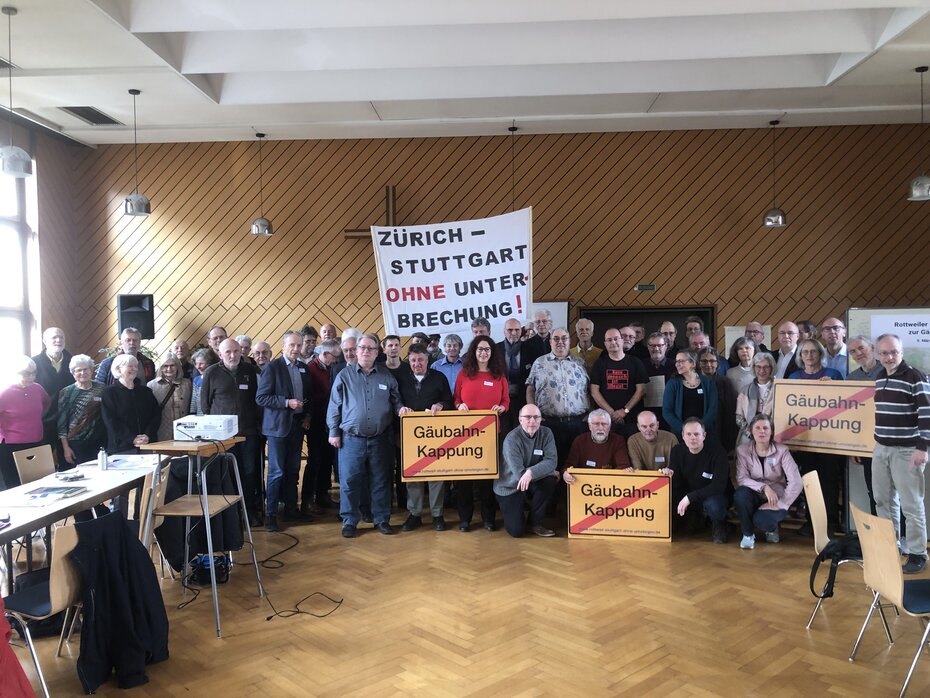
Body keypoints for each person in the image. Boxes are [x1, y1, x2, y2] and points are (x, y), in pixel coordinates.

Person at [328, 333, 404, 538]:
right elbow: (335, 405)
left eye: (370, 348)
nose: (365, 351)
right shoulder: (344, 375)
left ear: (377, 351)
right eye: (362, 347)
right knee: (350, 481)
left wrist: (401, 409)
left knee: (381, 480)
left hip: (380, 439)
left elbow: (396, 401)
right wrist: (333, 431)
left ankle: (381, 519)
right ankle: (350, 521)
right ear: (356, 350)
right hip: (351, 439)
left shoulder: (386, 376)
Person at [872, 333, 930, 574]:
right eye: (884, 353)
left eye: (894, 352)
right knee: (883, 501)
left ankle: (918, 553)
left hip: (908, 451)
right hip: (881, 448)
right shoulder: (878, 377)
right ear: (877, 354)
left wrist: (922, 448)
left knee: (911, 504)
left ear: (901, 352)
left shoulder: (915, 376)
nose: (889, 357)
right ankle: (890, 546)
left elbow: (927, 412)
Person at [256, 330, 314, 532]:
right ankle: (271, 515)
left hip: (298, 426)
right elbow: (261, 398)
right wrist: (286, 402)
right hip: (277, 428)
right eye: (292, 345)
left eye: (299, 345)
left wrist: (307, 416)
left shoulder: (304, 368)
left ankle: (291, 509)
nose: (296, 349)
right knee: (276, 472)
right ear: (283, 346)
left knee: (292, 470)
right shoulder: (273, 368)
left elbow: (309, 397)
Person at [201, 338, 262, 526]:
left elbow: (258, 399)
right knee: (226, 474)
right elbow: (205, 405)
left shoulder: (250, 370)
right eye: (228, 352)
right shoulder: (211, 373)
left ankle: (249, 511)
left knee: (250, 473)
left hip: (248, 433)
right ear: (220, 354)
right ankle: (230, 515)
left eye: (236, 351)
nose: (233, 355)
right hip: (223, 437)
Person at [453, 335, 509, 531]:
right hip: (465, 436)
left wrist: (501, 408)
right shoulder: (464, 374)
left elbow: (506, 401)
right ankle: (465, 520)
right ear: (473, 352)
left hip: (489, 434)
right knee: (464, 480)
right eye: (480, 349)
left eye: (487, 349)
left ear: (492, 353)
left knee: (487, 479)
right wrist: (459, 406)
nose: (483, 353)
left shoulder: (499, 375)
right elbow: (456, 399)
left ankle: (488, 519)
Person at [789, 337, 844, 534]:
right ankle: (812, 523)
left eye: (813, 351)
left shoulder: (833, 374)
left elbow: (845, 405)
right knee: (809, 481)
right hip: (805, 440)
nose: (809, 355)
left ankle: (831, 522)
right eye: (805, 352)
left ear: (820, 354)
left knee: (829, 481)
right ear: (800, 356)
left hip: (829, 440)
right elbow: (790, 410)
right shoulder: (794, 378)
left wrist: (834, 388)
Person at [396, 344, 454, 531]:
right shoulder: (401, 379)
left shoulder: (439, 377)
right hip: (409, 436)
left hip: (434, 436)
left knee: (436, 476)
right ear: (409, 361)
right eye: (413, 360)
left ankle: (437, 514)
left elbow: (449, 401)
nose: (417, 363)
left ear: (427, 360)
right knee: (413, 475)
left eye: (420, 359)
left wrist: (440, 404)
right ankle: (415, 514)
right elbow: (395, 400)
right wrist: (400, 408)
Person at [733, 414, 802, 549]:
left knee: (762, 521)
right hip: (754, 493)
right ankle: (747, 534)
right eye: (757, 428)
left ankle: (771, 528)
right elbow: (742, 478)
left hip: (776, 497)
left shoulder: (782, 451)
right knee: (740, 495)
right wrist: (764, 487)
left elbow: (796, 482)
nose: (762, 431)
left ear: (771, 432)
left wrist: (782, 504)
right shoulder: (743, 451)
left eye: (766, 428)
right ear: (752, 432)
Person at [526, 327, 590, 473]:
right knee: (552, 462)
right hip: (550, 423)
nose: (560, 342)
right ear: (550, 342)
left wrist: (590, 412)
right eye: (556, 338)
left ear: (569, 341)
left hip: (578, 422)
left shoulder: (580, 363)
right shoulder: (539, 363)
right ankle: (555, 495)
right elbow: (530, 388)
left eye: (564, 338)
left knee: (577, 462)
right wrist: (533, 414)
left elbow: (590, 389)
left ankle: (572, 495)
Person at [661, 418, 729, 543]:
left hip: (714, 495)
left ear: (704, 435)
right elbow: (676, 484)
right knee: (666, 497)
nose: (693, 438)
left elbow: (718, 486)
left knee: (714, 505)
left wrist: (689, 497)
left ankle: (719, 525)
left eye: (697, 434)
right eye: (689, 434)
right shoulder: (677, 451)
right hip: (689, 495)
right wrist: (668, 474)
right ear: (682, 435)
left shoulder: (718, 452)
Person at [494, 404, 558, 538]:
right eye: (528, 417)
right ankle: (519, 512)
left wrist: (530, 472)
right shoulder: (512, 439)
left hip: (531, 480)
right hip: (509, 485)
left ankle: (534, 523)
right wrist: (547, 470)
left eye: (536, 417)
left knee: (549, 481)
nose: (532, 421)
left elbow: (552, 461)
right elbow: (519, 474)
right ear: (520, 419)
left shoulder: (546, 433)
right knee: (516, 531)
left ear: (541, 419)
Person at [302, 339, 340, 515]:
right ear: (324, 354)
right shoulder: (310, 369)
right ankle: (308, 500)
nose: (337, 359)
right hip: (316, 421)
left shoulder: (331, 368)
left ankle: (323, 495)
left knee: (327, 459)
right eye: (335, 356)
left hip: (330, 422)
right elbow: (308, 395)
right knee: (315, 460)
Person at [0, 356, 51, 488]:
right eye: (26, 374)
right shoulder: (4, 393)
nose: (31, 377)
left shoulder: (37, 389)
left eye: (34, 373)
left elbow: (46, 403)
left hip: (36, 441)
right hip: (11, 445)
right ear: (15, 373)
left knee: (39, 483)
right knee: (15, 485)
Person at [848, 335, 884, 514]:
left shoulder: (888, 371)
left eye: (861, 348)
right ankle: (878, 536)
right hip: (867, 446)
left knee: (896, 493)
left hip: (891, 443)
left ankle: (901, 538)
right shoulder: (851, 378)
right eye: (853, 351)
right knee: (874, 492)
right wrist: (854, 448)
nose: (858, 353)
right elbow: (851, 415)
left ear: (872, 347)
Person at [589, 327, 647, 436]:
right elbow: (594, 392)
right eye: (609, 340)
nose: (613, 342)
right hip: (606, 421)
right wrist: (612, 413)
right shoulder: (599, 364)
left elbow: (641, 390)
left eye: (616, 339)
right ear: (605, 344)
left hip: (632, 419)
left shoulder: (635, 362)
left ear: (622, 340)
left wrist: (624, 411)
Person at [100, 355, 160, 454]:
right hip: (121, 447)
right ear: (118, 369)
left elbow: (156, 415)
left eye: (136, 366)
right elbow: (110, 421)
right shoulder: (109, 393)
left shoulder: (146, 391)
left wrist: (147, 435)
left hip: (147, 444)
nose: (135, 369)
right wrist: (132, 438)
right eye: (130, 366)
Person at [32, 327, 74, 463]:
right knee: (43, 464)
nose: (58, 340)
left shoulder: (73, 362)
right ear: (44, 341)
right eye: (54, 337)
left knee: (70, 462)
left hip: (69, 420)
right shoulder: (34, 363)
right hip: (44, 420)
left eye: (61, 337)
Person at [57, 354, 107, 467]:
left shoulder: (102, 389)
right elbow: (61, 423)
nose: (83, 373)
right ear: (73, 373)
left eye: (86, 369)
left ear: (91, 370)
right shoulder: (66, 392)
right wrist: (66, 448)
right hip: (76, 443)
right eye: (78, 370)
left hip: (99, 441)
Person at [563, 409, 632, 483]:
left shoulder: (618, 440)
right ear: (589, 426)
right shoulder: (580, 440)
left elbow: (623, 466)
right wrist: (566, 473)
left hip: (610, 485)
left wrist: (601, 480)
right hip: (584, 484)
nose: (600, 428)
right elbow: (569, 465)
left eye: (604, 424)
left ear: (610, 426)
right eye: (596, 424)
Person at [662, 350, 717, 440]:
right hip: (681, 434)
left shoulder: (708, 382)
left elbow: (713, 409)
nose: (677, 364)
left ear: (692, 363)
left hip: (704, 433)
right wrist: (684, 430)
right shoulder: (672, 383)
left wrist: (700, 429)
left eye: (681, 361)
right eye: (676, 361)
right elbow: (667, 411)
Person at [697, 348, 738, 452]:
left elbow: (730, 412)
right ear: (698, 363)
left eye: (712, 361)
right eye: (704, 361)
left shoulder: (725, 382)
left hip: (719, 432)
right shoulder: (693, 381)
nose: (708, 364)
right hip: (697, 431)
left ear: (718, 363)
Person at [146, 352, 192, 442]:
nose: (169, 369)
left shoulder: (187, 383)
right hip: (162, 432)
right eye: (165, 366)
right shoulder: (152, 385)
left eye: (172, 365)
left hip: (185, 432)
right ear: (161, 368)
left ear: (178, 366)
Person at [498, 318, 532, 433]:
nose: (513, 333)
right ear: (504, 331)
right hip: (501, 402)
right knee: (503, 435)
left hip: (523, 400)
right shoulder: (495, 350)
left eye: (517, 330)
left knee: (522, 434)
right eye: (510, 330)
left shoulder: (529, 348)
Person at [734, 352, 777, 445]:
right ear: (753, 368)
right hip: (749, 434)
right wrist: (751, 433)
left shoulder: (779, 389)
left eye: (766, 367)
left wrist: (769, 433)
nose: (762, 370)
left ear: (772, 368)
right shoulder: (745, 390)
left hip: (774, 435)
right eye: (758, 367)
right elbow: (739, 417)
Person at [189, 347, 219, 416]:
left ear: (211, 363)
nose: (198, 367)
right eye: (196, 363)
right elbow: (194, 402)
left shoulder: (218, 379)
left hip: (216, 416)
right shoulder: (197, 380)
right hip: (200, 418)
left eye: (201, 363)